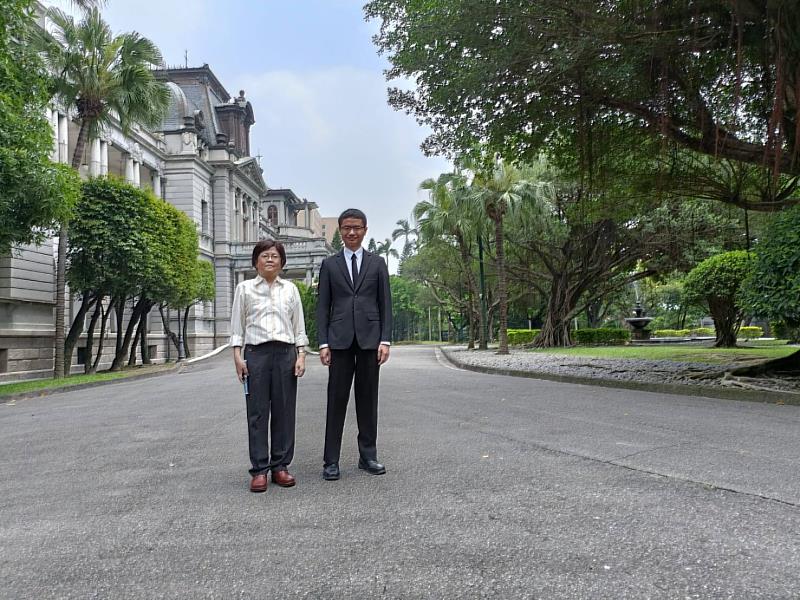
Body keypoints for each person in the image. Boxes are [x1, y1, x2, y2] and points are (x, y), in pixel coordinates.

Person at [316, 208, 392, 480]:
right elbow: (323, 306)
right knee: (336, 400)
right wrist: (323, 342)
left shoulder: (377, 263)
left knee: (368, 399)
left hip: (371, 340)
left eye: (356, 227)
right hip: (339, 341)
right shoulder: (330, 265)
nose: (351, 232)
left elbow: (385, 304)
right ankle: (331, 461)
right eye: (346, 227)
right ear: (340, 230)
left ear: (365, 230)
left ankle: (368, 456)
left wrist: (385, 340)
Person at [230, 240, 308, 493]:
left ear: (282, 262)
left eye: (275, 256)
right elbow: (237, 327)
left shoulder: (291, 290)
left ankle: (281, 466)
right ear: (256, 261)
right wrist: (237, 357)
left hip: (286, 353)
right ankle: (260, 470)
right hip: (256, 354)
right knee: (257, 413)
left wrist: (301, 355)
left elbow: (299, 326)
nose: (270, 260)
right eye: (265, 255)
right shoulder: (244, 289)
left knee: (285, 411)